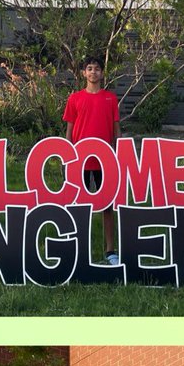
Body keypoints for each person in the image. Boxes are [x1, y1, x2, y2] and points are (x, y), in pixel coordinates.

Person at [63, 55, 121, 265]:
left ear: (102, 73)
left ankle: (110, 251)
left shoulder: (110, 98)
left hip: (104, 161)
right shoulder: (75, 98)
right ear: (83, 73)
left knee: (108, 207)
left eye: (97, 68)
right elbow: (69, 131)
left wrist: (117, 155)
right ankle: (79, 248)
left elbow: (116, 132)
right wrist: (68, 157)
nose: (93, 72)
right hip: (81, 161)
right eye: (89, 68)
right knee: (80, 207)